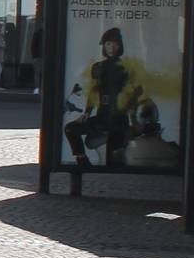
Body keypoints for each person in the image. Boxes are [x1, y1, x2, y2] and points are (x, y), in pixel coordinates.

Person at [65, 26, 154, 166]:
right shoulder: (98, 67)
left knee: (114, 160)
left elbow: (137, 92)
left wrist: (133, 119)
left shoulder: (127, 67)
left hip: (119, 119)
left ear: (119, 45)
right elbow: (94, 91)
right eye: (108, 43)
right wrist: (87, 112)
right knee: (70, 128)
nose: (111, 47)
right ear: (104, 46)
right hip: (102, 116)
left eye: (114, 43)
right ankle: (82, 160)